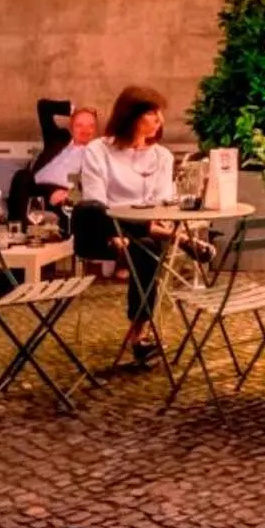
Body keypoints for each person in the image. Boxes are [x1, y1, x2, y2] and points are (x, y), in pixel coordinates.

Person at [72, 85, 181, 365]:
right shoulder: (99, 150)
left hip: (142, 237)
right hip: (103, 232)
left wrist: (143, 227)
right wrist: (119, 232)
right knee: (92, 211)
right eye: (152, 113)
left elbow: (161, 204)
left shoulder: (162, 157)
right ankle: (176, 239)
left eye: (160, 114)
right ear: (131, 117)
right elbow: (96, 201)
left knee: (145, 248)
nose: (160, 120)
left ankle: (139, 336)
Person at [14, 106, 100, 218]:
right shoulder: (58, 139)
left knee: (69, 206)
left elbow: (94, 185)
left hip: (62, 193)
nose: (85, 130)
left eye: (91, 126)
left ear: (96, 130)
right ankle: (15, 229)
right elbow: (44, 108)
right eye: (79, 125)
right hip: (33, 186)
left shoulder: (96, 154)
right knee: (22, 176)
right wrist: (70, 107)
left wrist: (71, 194)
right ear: (71, 128)